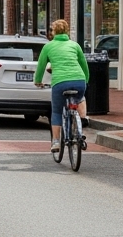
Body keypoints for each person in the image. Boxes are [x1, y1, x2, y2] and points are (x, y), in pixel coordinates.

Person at [34, 19, 90, 155]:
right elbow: (84, 65)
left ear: (53, 32)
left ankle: (56, 141)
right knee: (80, 97)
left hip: (60, 82)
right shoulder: (75, 45)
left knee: (57, 111)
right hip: (79, 80)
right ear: (67, 31)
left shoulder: (48, 46)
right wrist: (86, 81)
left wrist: (37, 81)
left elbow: (41, 66)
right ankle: (82, 121)